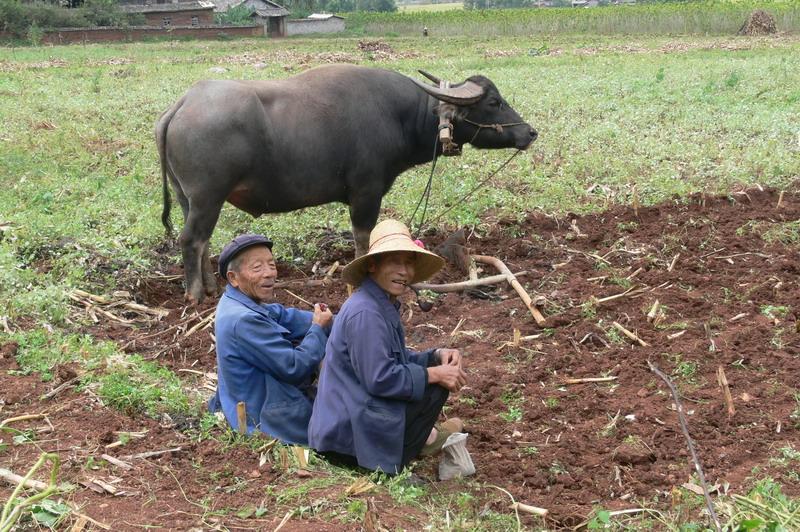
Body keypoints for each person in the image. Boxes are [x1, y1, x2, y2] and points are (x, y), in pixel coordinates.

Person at [308, 220, 467, 474]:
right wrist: (435, 374)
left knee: (435, 371)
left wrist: (435, 356)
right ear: (373, 265)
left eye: (409, 263)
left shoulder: (379, 303)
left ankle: (403, 449)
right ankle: (384, 468)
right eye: (395, 262)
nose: (404, 271)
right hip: (345, 436)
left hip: (353, 416)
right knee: (435, 384)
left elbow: (397, 359)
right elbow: (379, 379)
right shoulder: (366, 313)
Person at [209, 234, 333, 445]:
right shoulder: (244, 319)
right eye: (257, 268)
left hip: (253, 397)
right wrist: (317, 329)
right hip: (262, 415)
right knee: (345, 430)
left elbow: (285, 316)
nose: (269, 274)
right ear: (233, 278)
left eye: (271, 265)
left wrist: (345, 320)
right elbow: (294, 367)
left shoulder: (239, 300)